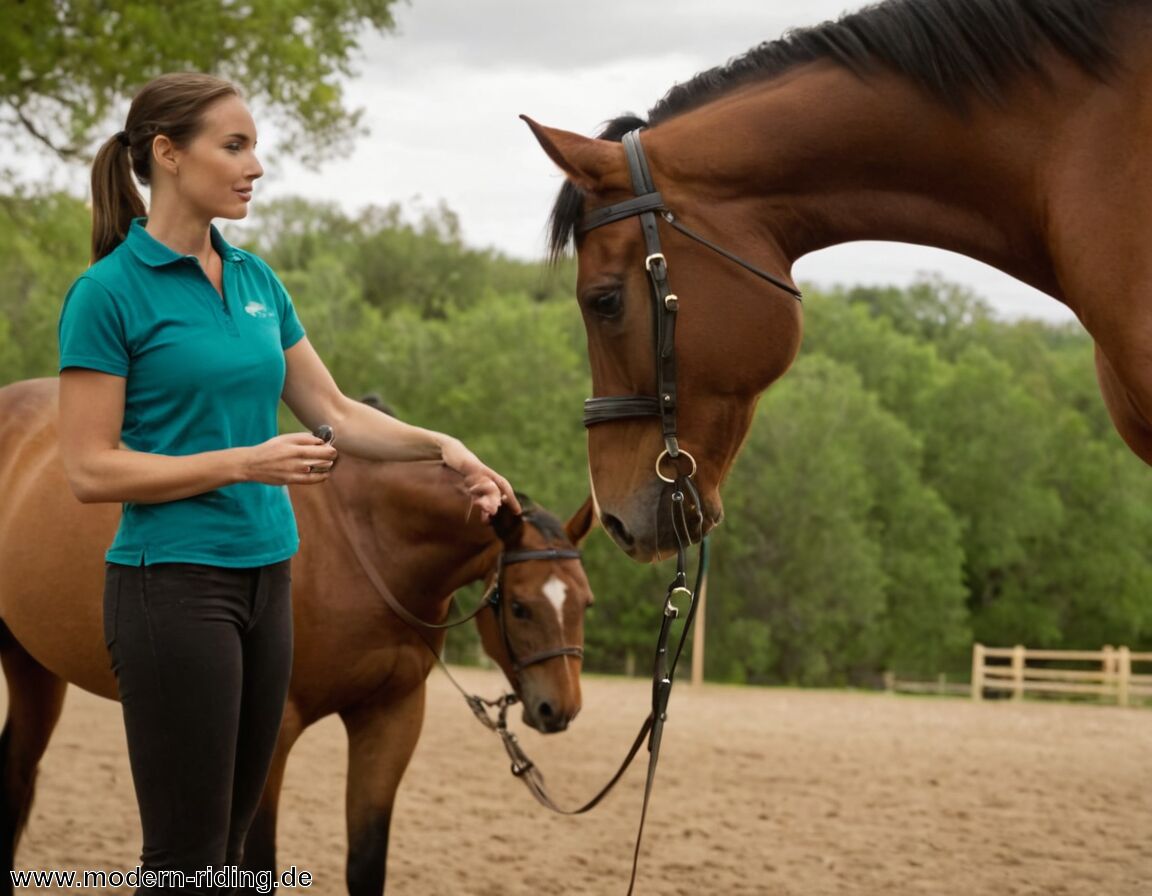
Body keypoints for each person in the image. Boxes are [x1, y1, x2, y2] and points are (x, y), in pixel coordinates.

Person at [56, 72, 519, 892]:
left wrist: (444, 447)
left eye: (254, 147)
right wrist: (246, 461)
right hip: (171, 586)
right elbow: (90, 469)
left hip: (267, 578)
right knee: (183, 862)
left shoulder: (257, 280)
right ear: (166, 155)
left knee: (232, 849)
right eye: (234, 146)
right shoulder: (107, 294)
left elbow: (334, 408)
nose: (255, 166)